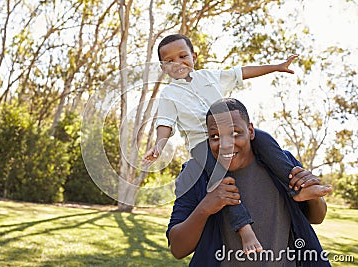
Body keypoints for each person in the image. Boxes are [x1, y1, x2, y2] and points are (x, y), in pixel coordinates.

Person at [142, 33, 327, 253]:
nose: (178, 63)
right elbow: (165, 123)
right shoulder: (169, 94)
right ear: (164, 68)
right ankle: (244, 228)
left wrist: (276, 67)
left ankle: (298, 188)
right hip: (204, 145)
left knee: (266, 139)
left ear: (194, 56)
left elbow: (242, 72)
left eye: (183, 56)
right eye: (170, 61)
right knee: (221, 186)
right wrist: (159, 145)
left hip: (230, 129)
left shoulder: (210, 76)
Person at [166, 98, 332, 266]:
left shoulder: (283, 164)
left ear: (251, 131)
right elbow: (178, 250)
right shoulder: (194, 175)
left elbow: (317, 218)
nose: (225, 145)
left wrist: (313, 197)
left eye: (235, 133)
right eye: (215, 136)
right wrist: (205, 207)